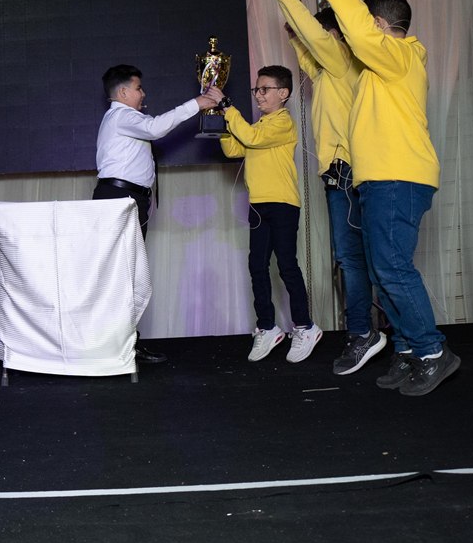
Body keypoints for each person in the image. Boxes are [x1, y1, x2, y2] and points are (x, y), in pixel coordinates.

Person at [327, 0, 459, 396]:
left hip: (397, 177)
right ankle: (407, 348)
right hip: (380, 178)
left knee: (393, 267)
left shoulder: (402, 54)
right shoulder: (380, 68)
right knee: (382, 270)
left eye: (367, 24)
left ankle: (432, 352)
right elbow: (353, 46)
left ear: (380, 25)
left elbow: (362, 38)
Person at [272, 0, 384, 376]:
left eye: (321, 36)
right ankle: (374, 332)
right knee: (354, 257)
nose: (316, 43)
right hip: (340, 174)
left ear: (335, 35)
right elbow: (310, 60)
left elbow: (316, 41)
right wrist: (295, 39)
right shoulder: (330, 72)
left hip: (347, 173)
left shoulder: (340, 59)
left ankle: (363, 333)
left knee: (353, 259)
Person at [93, 64, 223, 364]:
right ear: (123, 92)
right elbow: (156, 128)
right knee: (121, 274)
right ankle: (116, 347)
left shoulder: (123, 118)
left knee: (126, 273)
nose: (143, 93)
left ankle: (124, 344)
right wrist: (197, 103)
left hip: (127, 199)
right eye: (138, 88)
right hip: (120, 198)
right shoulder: (122, 116)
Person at [220, 65, 324, 364]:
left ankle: (305, 326)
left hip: (282, 203)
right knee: (257, 266)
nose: (259, 95)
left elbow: (251, 138)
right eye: (257, 89)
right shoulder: (259, 126)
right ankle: (267, 327)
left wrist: (228, 109)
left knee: (287, 266)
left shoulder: (282, 123)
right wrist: (219, 124)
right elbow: (234, 149)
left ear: (283, 93)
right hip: (258, 204)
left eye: (265, 89)